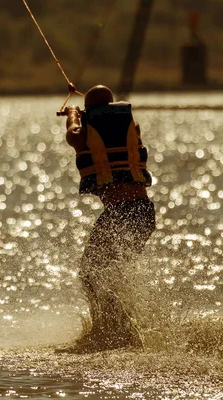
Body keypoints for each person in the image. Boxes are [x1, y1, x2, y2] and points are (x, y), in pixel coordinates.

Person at [59, 85, 155, 353]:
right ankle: (119, 331)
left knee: (92, 273)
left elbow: (73, 135)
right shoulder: (130, 128)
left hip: (123, 213)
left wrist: (73, 114)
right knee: (104, 273)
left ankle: (115, 333)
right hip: (143, 212)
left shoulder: (84, 130)